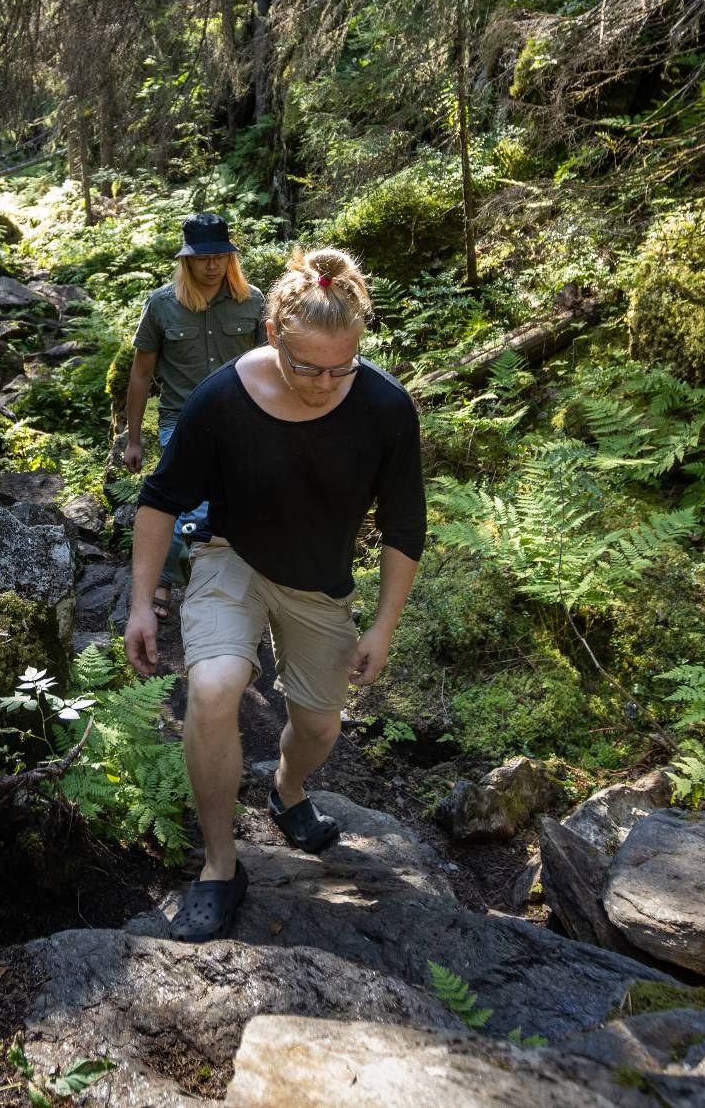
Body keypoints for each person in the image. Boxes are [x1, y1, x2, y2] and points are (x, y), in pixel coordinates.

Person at [123, 246, 425, 943]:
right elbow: (161, 498)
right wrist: (142, 600)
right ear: (271, 337)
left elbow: (404, 526)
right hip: (232, 555)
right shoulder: (222, 398)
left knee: (320, 728)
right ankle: (222, 866)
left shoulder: (385, 408)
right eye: (305, 365)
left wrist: (383, 626)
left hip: (319, 582)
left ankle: (287, 787)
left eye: (340, 366)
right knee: (213, 688)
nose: (323, 383)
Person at [120, 214, 267, 625]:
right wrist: (134, 440)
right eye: (203, 258)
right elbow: (141, 374)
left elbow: (270, 367)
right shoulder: (162, 305)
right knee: (192, 503)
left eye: (220, 256)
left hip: (243, 423)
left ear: (230, 258)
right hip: (180, 422)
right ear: (187, 261)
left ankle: (232, 584)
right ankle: (167, 581)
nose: (212, 265)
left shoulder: (252, 301)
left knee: (234, 504)